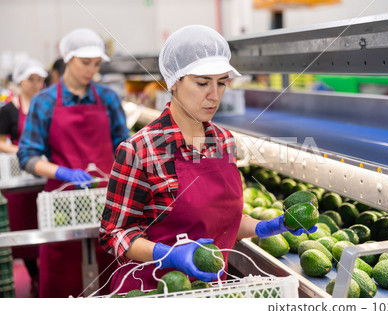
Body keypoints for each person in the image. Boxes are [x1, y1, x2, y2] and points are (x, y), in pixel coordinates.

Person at [99, 25, 317, 293]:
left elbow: (222, 222)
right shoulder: (140, 150)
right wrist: (168, 255)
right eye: (202, 83)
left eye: (222, 82)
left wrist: (266, 227)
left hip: (211, 291)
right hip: (152, 291)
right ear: (174, 83)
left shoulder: (224, 141)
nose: (214, 95)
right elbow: (114, 234)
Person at [17, 28, 130, 298]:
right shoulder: (45, 102)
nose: (91, 70)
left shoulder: (109, 99)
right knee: (61, 272)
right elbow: (27, 156)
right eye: (85, 62)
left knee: (113, 272)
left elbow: (124, 150)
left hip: (106, 197)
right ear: (67, 58)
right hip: (62, 200)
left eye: (96, 63)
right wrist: (63, 172)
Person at [0, 58, 47, 297]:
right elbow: (0, 143)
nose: (37, 84)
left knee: (45, 226)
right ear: (20, 80)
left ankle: (45, 275)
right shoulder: (8, 110)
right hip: (20, 181)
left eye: (40, 79)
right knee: (25, 231)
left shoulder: (46, 107)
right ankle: (34, 277)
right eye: (32, 79)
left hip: (44, 175)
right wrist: (23, 151)